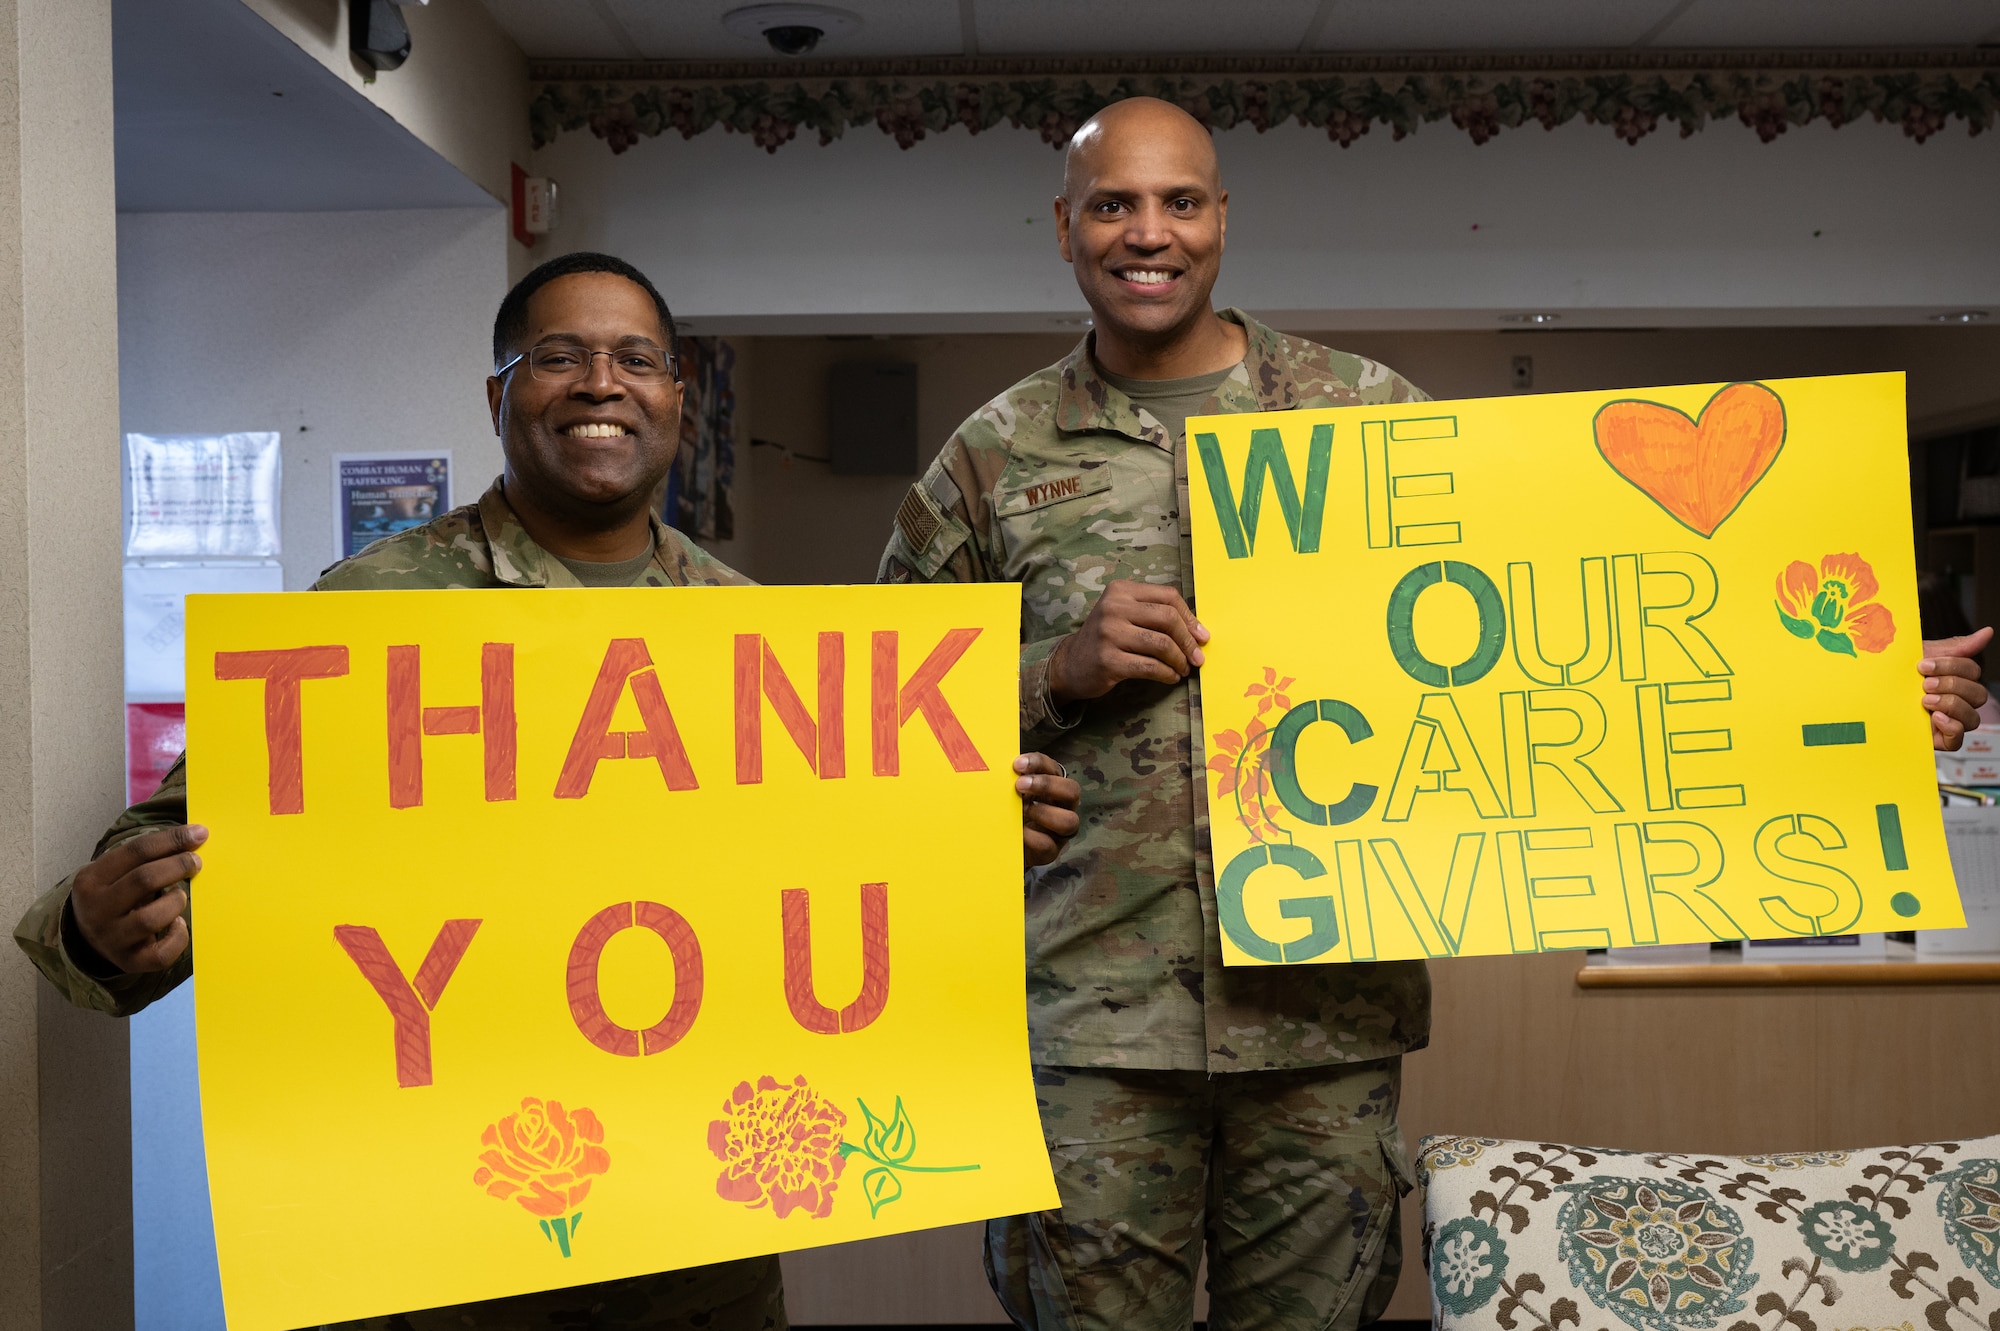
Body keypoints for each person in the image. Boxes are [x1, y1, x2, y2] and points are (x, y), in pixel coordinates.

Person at [875, 97, 1992, 1331]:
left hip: (1322, 1020)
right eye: (1112, 204)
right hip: (1089, 1026)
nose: (1149, 233)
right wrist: (1053, 670)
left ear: (1221, 217)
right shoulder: (995, 454)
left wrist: (1857, 685)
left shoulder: (1367, 415)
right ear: (1063, 226)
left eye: (1179, 201)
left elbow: (1592, 623)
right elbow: (869, 720)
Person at [15, 252, 1083, 1331]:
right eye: (559, 356)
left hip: (695, 1253)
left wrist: (963, 831)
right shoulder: (371, 609)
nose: (599, 382)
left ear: (679, 394)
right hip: (441, 1253)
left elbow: (822, 881)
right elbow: (184, 858)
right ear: (499, 395)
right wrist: (102, 927)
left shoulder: (753, 634)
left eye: (635, 359)